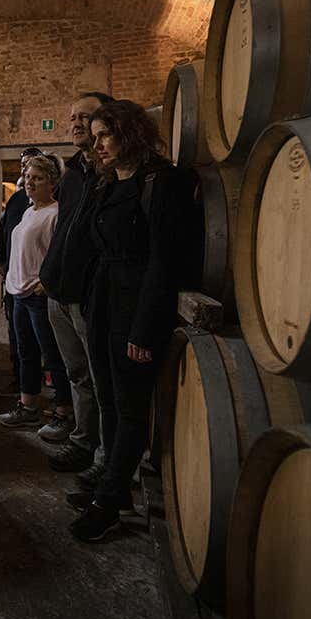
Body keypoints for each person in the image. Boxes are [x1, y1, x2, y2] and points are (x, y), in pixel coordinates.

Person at [68, 99, 198, 542]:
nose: (97, 143)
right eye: (96, 134)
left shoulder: (162, 183)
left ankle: (107, 504)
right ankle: (114, 488)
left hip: (136, 307)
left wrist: (145, 328)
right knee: (107, 396)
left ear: (131, 134)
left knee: (129, 407)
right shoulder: (109, 184)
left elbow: (165, 261)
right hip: (104, 303)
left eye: (106, 134)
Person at [39, 92, 115, 477]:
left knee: (101, 379)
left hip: (87, 297)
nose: (75, 123)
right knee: (77, 374)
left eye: (85, 117)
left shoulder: (110, 174)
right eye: (73, 117)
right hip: (59, 292)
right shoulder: (72, 175)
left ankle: (105, 456)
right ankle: (84, 441)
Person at [0, 155, 64, 428]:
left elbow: (58, 255)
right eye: (27, 178)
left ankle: (62, 412)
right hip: (17, 293)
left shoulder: (55, 213)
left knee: (52, 354)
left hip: (37, 295)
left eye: (38, 178)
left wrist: (44, 283)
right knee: (26, 353)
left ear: (53, 182)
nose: (30, 183)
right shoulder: (28, 211)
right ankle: (28, 406)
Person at [0, 146, 44, 398]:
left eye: (32, 165)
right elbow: (5, 231)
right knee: (17, 336)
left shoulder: (49, 203)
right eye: (24, 166)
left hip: (34, 283)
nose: (26, 170)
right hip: (13, 278)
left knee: (40, 341)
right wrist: (0, 258)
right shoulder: (16, 199)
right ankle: (20, 381)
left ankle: (43, 390)